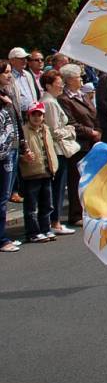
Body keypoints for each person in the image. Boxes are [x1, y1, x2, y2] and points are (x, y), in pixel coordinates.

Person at [58, 64, 101, 226]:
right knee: (77, 179)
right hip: (79, 144)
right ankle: (76, 214)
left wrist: (98, 130)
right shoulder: (64, 99)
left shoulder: (82, 95)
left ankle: (89, 209)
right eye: (77, 76)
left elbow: (93, 113)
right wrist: (90, 132)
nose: (81, 78)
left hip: (92, 142)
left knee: (91, 178)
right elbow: (71, 122)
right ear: (69, 80)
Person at [40, 70, 79, 235]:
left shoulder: (52, 101)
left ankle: (54, 220)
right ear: (49, 85)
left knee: (59, 186)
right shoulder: (49, 103)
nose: (61, 85)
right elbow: (54, 130)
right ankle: (54, 221)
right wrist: (70, 130)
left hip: (59, 149)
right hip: (57, 150)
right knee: (57, 186)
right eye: (58, 82)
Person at [0, 61, 30, 252]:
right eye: (6, 73)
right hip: (3, 153)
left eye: (10, 72)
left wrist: (23, 145)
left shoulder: (8, 93)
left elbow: (17, 121)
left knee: (4, 194)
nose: (9, 76)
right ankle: (2, 239)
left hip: (12, 149)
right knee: (2, 197)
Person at [19, 101, 58, 243]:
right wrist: (24, 157)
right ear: (28, 116)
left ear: (43, 116)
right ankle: (32, 232)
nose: (36, 117)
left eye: (39, 115)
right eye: (33, 114)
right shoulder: (23, 131)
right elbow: (18, 151)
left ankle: (45, 228)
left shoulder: (46, 129)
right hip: (31, 172)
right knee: (31, 205)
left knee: (47, 204)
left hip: (47, 171)